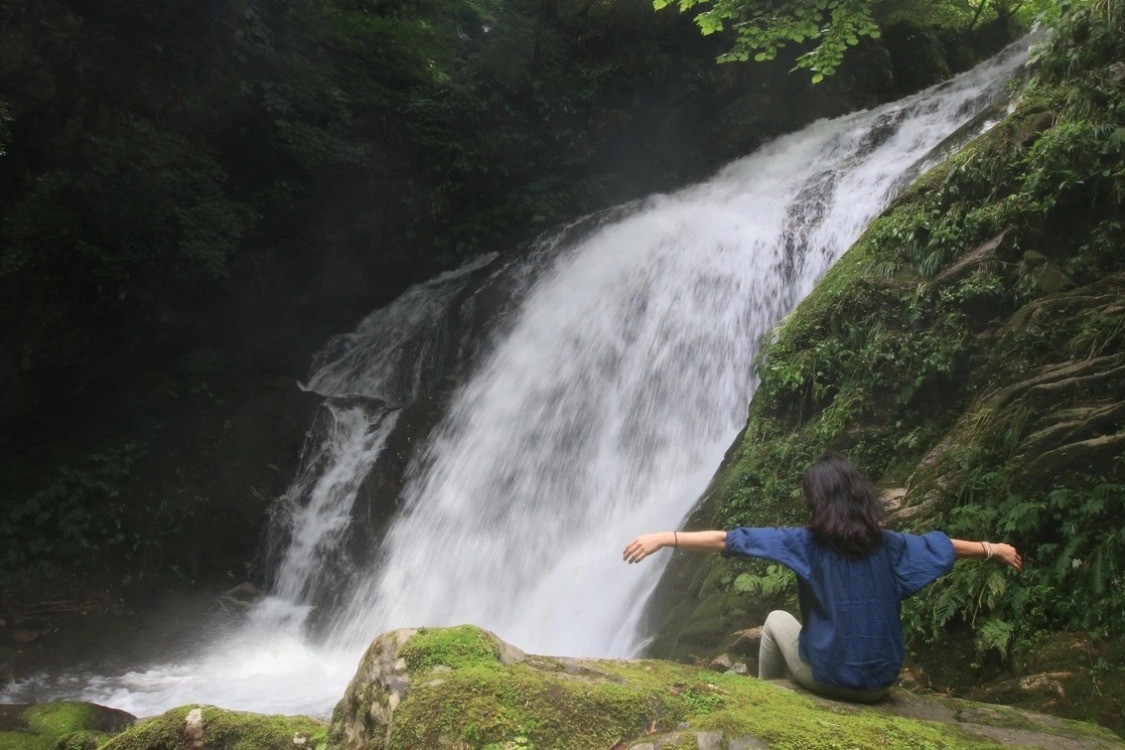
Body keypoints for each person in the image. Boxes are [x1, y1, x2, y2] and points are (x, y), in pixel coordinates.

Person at [622, 454, 1022, 703]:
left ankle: (766, 701)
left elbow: (732, 540)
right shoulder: (889, 544)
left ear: (816, 501)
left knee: (777, 620)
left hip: (833, 680)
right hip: (882, 683)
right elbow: (943, 546)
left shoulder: (805, 543)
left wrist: (664, 538)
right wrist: (993, 548)